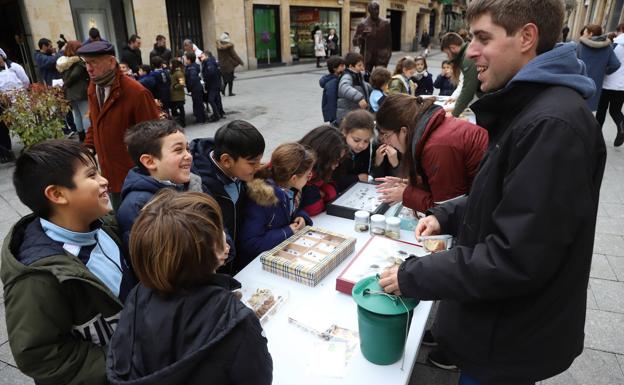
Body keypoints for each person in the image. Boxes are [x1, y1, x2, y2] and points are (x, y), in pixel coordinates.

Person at [379, 1, 606, 384]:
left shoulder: (550, 124)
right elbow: (505, 196)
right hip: (499, 329)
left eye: (483, 38)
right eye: (471, 38)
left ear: (526, 38)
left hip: (508, 340)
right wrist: (447, 214)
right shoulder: (531, 108)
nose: (470, 52)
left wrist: (415, 275)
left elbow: (516, 257)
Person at [1, 140, 136, 384]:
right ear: (57, 194)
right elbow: (42, 356)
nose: (104, 180)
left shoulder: (105, 227)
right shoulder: (38, 278)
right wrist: (125, 360)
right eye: (92, 174)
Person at [107, 189, 273, 385]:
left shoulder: (138, 294)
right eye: (218, 229)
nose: (223, 234)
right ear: (210, 251)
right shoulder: (237, 321)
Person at [77, 41, 160, 210]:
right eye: (86, 63)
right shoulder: (94, 87)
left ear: (111, 62)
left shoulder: (137, 93)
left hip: (135, 181)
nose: (89, 68)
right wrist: (86, 150)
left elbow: (154, 140)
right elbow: (95, 123)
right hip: (108, 176)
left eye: (94, 63)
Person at [374, 94, 487, 213]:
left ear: (403, 131)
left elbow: (447, 210)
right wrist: (413, 183)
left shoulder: (437, 146)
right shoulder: (435, 130)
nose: (386, 142)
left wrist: (405, 194)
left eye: (386, 135)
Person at [190, 120, 265, 274]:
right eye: (252, 163)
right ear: (226, 161)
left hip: (241, 259)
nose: (258, 167)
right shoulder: (202, 187)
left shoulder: (239, 172)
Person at [117, 118, 202, 248]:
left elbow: (216, 223)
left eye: (188, 149)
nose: (189, 156)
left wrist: (223, 242)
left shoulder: (193, 182)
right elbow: (152, 258)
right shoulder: (137, 207)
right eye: (178, 150)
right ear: (150, 162)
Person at [239, 143, 316, 268]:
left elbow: (292, 211)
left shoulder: (290, 189)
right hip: (256, 264)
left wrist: (301, 217)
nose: (309, 179)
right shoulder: (261, 199)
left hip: (278, 253)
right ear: (294, 178)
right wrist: (288, 231)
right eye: (308, 175)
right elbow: (250, 243)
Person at [299, 125, 348, 216]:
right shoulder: (300, 168)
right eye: (335, 160)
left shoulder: (323, 167)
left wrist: (324, 193)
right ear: (323, 156)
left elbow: (335, 186)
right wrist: (322, 194)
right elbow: (311, 208)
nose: (337, 164)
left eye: (339, 160)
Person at [577, 24, 620, 111]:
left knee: (576, 112)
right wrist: (604, 71)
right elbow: (615, 64)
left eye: (585, 32)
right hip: (595, 85)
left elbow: (573, 63)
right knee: (589, 114)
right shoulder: (608, 48)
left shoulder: (581, 46)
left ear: (591, 34)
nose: (583, 34)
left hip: (580, 84)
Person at [334, 110, 376, 192]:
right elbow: (332, 178)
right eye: (356, 140)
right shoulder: (336, 148)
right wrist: (356, 178)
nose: (361, 145)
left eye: (366, 141)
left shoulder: (364, 146)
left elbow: (364, 170)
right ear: (345, 132)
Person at [56, 40, 90, 142]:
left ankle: (82, 137)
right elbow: (75, 75)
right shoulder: (78, 62)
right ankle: (89, 138)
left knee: (77, 115)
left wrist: (66, 85)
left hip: (70, 93)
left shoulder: (63, 62)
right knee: (85, 115)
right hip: (80, 92)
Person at [441, 32, 481, 117]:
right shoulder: (466, 54)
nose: (448, 57)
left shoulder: (467, 58)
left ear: (452, 48)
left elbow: (468, 90)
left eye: (447, 54)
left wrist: (453, 114)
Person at [597, 23, 624, 146]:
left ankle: (596, 137)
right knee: (615, 110)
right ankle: (622, 125)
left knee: (601, 110)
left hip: (608, 83)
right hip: (622, 86)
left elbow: (606, 62)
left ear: (620, 30)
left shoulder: (614, 45)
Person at [352, 1, 392, 72]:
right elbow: (355, 42)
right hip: (367, 57)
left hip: (382, 57)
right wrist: (362, 36)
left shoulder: (385, 23)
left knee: (381, 77)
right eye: (374, 10)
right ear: (369, 11)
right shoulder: (363, 24)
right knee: (365, 77)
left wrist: (388, 54)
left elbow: (389, 41)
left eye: (377, 9)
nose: (376, 12)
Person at [337, 52, 372, 123]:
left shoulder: (357, 74)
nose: (362, 68)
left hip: (355, 112)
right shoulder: (347, 76)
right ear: (351, 66)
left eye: (362, 65)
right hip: (348, 114)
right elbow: (344, 87)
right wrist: (359, 98)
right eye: (359, 65)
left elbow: (363, 85)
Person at [319, 55, 345, 124]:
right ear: (335, 69)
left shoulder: (336, 79)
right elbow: (331, 102)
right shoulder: (332, 84)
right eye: (342, 66)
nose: (344, 68)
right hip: (335, 117)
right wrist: (334, 119)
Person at [217, 32, 244, 96]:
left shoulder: (218, 45)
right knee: (230, 79)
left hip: (222, 64)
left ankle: (223, 90)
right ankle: (229, 92)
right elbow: (234, 55)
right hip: (229, 65)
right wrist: (241, 62)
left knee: (225, 78)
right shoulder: (229, 46)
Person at [202, 51, 225, 122]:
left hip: (213, 84)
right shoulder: (213, 61)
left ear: (207, 56)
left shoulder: (209, 62)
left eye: (202, 56)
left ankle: (216, 115)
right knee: (217, 99)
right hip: (216, 83)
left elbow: (211, 72)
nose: (201, 58)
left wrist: (206, 79)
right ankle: (220, 112)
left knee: (211, 99)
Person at [184, 51, 206, 124]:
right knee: (197, 103)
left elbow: (192, 79)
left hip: (195, 88)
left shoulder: (192, 68)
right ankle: (200, 118)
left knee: (198, 104)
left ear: (189, 60)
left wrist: (189, 86)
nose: (184, 60)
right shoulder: (192, 66)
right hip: (196, 88)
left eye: (185, 59)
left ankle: (201, 119)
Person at [170, 59, 187, 127]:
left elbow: (182, 83)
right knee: (174, 109)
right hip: (174, 95)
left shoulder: (178, 73)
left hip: (178, 95)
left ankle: (183, 122)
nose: (170, 65)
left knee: (181, 108)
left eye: (171, 64)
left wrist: (174, 87)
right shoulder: (173, 72)